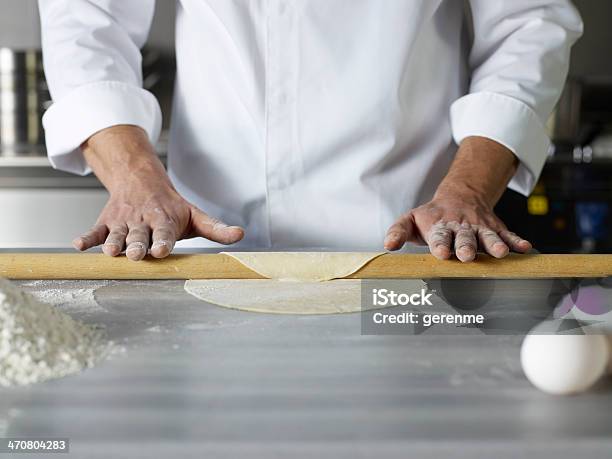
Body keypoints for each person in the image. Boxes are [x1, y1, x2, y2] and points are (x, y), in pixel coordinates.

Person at [38, 0, 583, 262]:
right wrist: (136, 181)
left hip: (415, 240)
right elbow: (85, 19)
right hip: (200, 236)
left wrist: (466, 191)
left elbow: (529, 23)